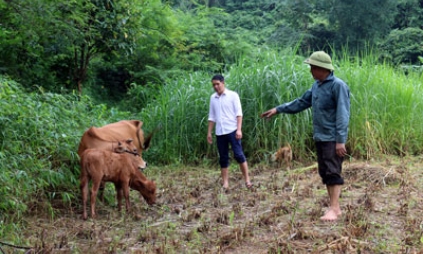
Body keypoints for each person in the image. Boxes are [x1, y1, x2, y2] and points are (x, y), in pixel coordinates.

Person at [261, 51, 350, 221]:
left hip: (332, 138)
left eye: (313, 68)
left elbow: (343, 115)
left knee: (333, 171)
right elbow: (301, 102)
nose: (311, 71)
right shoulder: (317, 86)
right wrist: (278, 109)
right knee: (325, 172)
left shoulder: (337, 86)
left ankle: (335, 208)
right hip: (320, 136)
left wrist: (340, 141)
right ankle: (333, 207)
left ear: (322, 68)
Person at [207, 74, 252, 190]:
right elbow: (212, 116)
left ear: (223, 83)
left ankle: (247, 180)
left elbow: (239, 113)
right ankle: (225, 183)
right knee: (223, 158)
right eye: (214, 85)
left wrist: (239, 129)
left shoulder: (233, 95)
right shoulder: (213, 98)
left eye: (218, 84)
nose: (216, 87)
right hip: (220, 132)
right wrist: (209, 133)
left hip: (232, 130)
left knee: (239, 155)